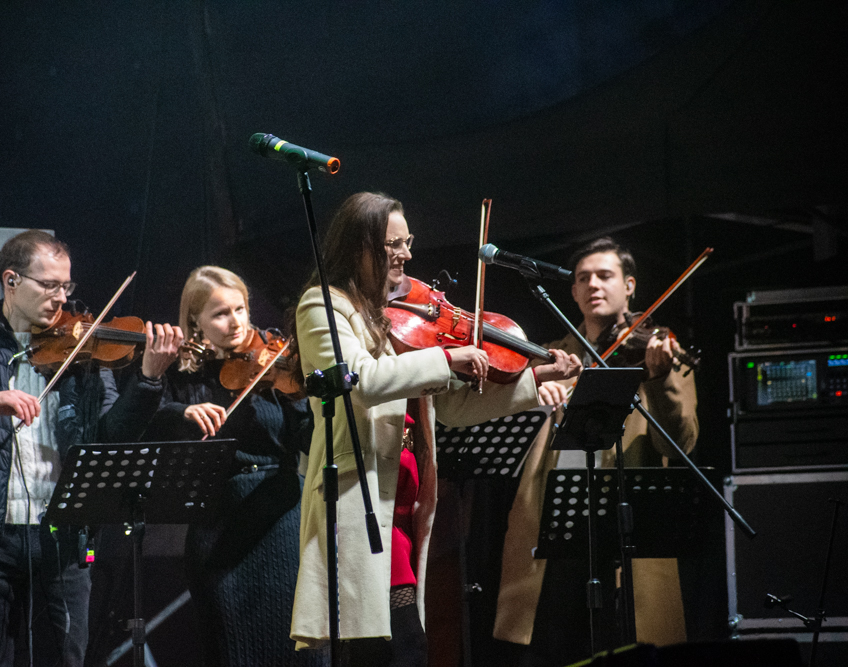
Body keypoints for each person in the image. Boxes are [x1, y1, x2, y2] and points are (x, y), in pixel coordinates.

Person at [289, 192, 581, 666]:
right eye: (393, 245)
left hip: (404, 497)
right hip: (358, 498)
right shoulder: (324, 307)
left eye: (408, 242)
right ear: (361, 247)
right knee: (387, 650)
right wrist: (446, 357)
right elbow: (362, 382)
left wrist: (533, 378)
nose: (406, 255)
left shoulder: (397, 316)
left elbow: (452, 411)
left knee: (404, 646)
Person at [0, 229, 184, 667]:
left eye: (66, 286)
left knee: (69, 658)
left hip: (63, 537)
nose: (61, 299)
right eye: (49, 285)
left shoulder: (85, 356)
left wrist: (147, 380)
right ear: (11, 281)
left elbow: (110, 439)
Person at [493, 237, 699, 665]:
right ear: (571, 292)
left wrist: (659, 381)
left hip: (624, 523)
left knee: (623, 645)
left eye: (605, 276)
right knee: (553, 646)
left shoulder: (655, 351)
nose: (593, 285)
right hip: (558, 521)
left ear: (629, 286)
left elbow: (680, 444)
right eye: (583, 278)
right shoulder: (557, 355)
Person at [143, 266, 326, 667]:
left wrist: (309, 399)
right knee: (235, 651)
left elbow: (310, 442)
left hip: (282, 519)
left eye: (240, 309)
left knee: (301, 652)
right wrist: (182, 412)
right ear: (195, 322)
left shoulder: (275, 365)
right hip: (219, 528)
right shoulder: (182, 376)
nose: (236, 322)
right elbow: (149, 428)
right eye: (220, 313)